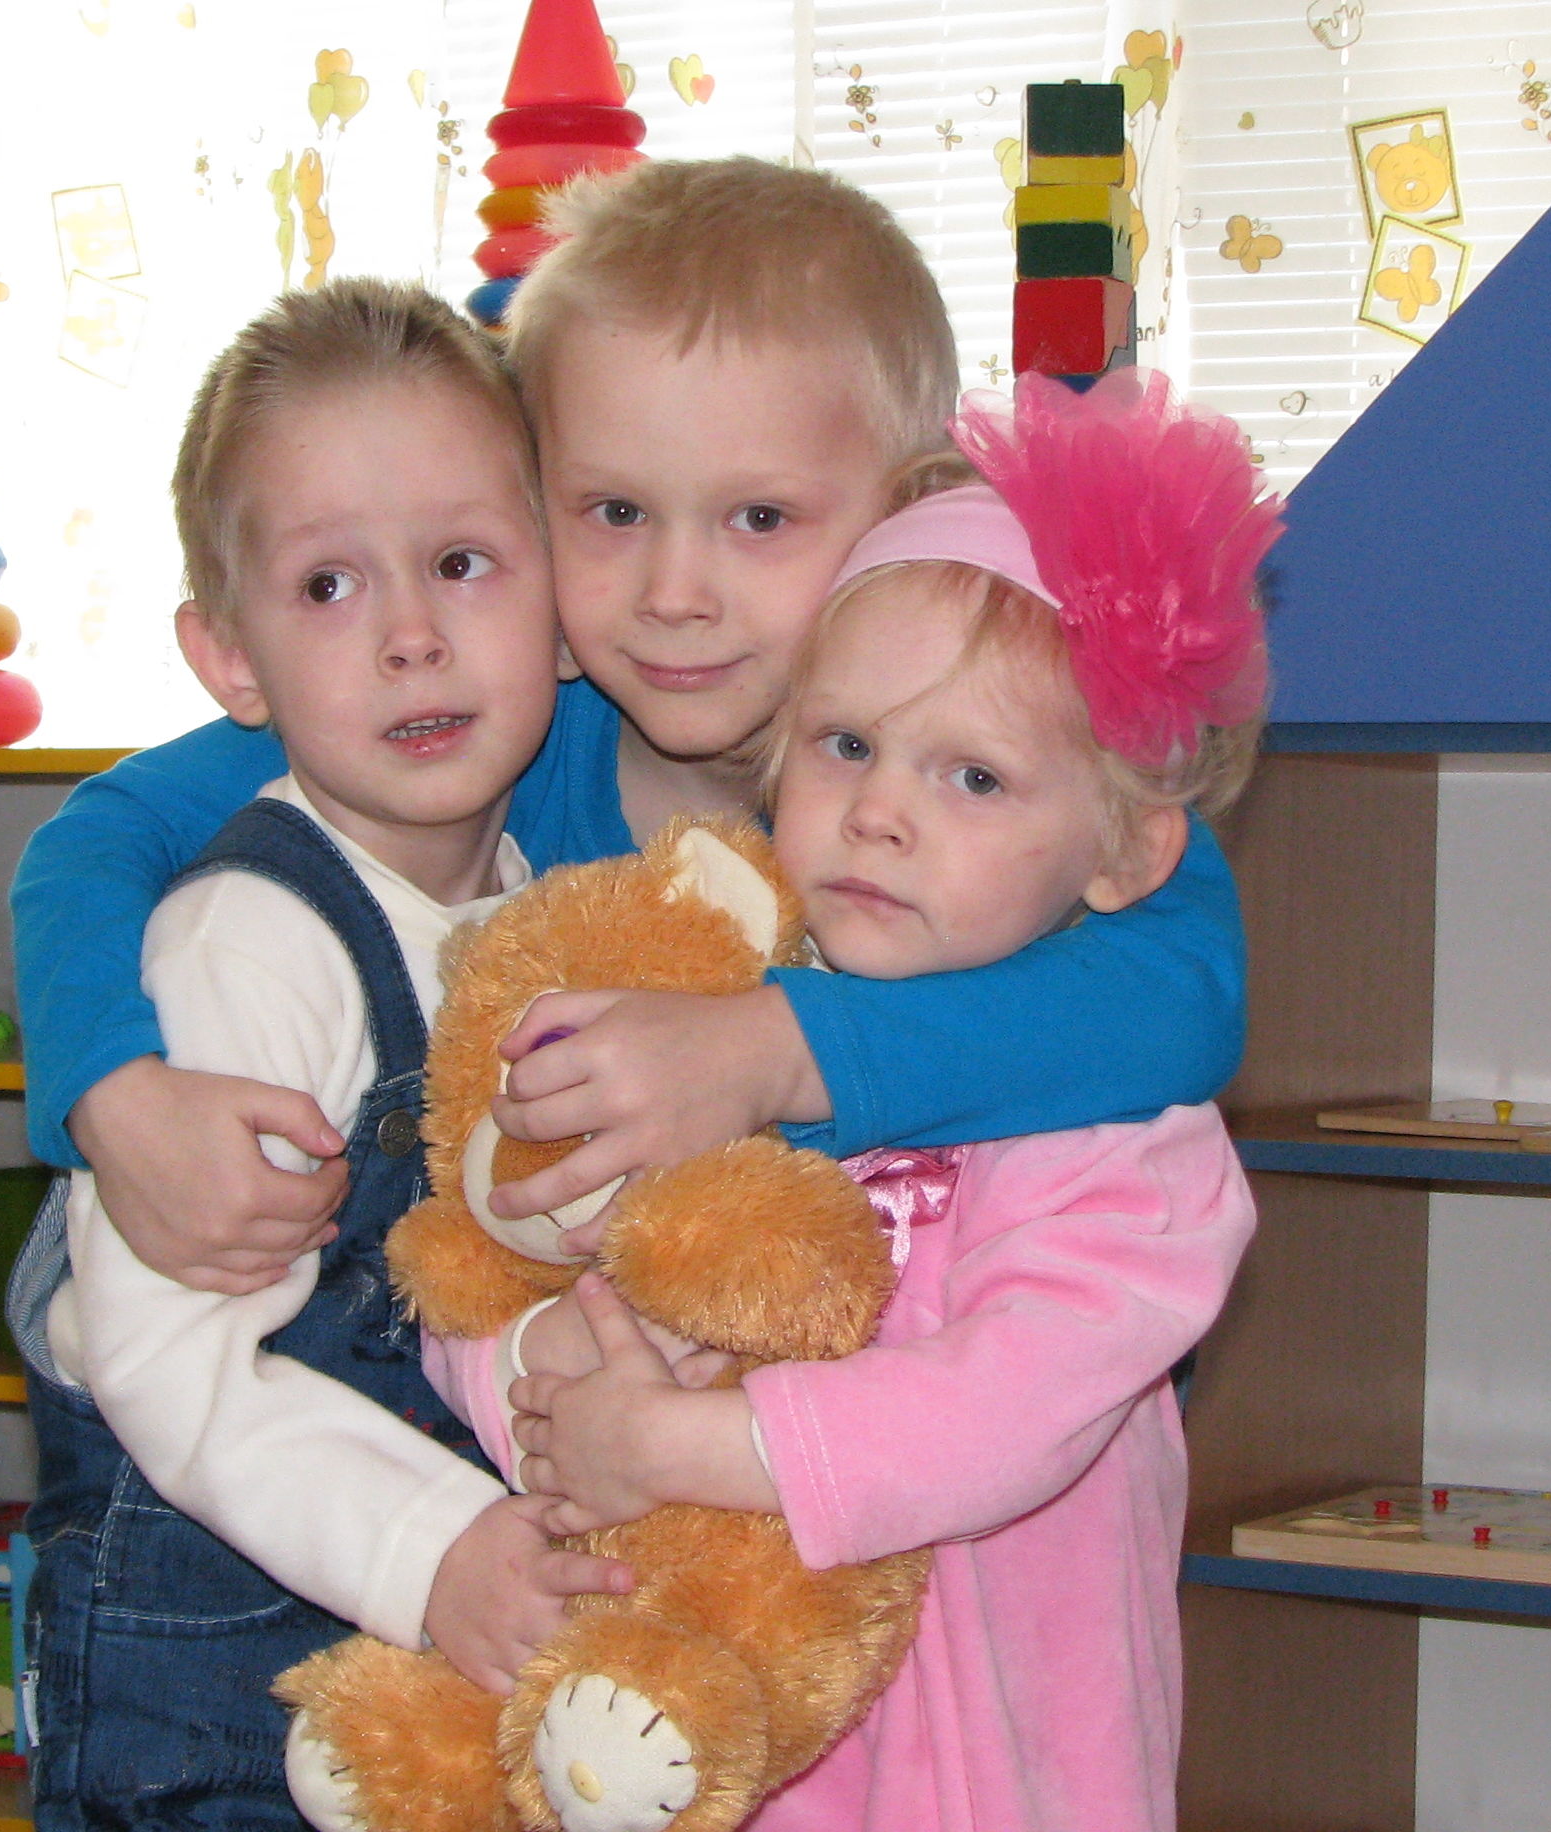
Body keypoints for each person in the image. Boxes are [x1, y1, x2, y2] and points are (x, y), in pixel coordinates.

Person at [8, 158, 1247, 1313]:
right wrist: (113, 1095)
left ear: (906, 508)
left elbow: (1180, 988)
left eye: (758, 518)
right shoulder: (495, 722)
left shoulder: (971, 768)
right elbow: (102, 836)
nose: (673, 592)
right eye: (612, 511)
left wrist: (777, 1051)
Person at [453, 370, 1274, 1832]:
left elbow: (1005, 1414)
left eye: (975, 777)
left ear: (1125, 853)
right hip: (713, 1745)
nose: (882, 811)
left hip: (1003, 1784)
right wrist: (551, 1375)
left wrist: (682, 1445)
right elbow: (502, 1252)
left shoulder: (1124, 1145)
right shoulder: (709, 1026)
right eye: (846, 747)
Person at [6, 281, 631, 1830]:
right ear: (231, 659)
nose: (412, 635)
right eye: (329, 585)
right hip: (217, 1702)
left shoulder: (532, 919)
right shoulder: (249, 942)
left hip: (428, 1678)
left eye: (462, 563)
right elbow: (169, 1361)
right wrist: (435, 1550)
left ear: (561, 600)